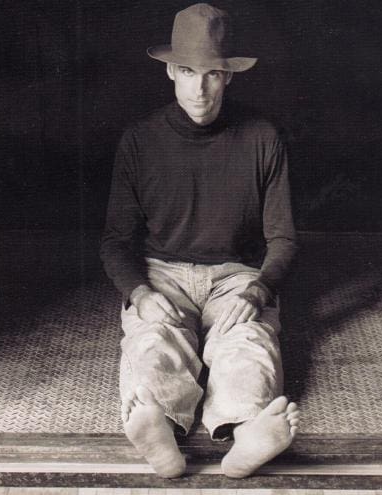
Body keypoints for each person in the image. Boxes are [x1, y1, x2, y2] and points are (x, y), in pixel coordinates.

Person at [100, 3, 301, 479]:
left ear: (228, 77)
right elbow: (115, 241)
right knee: (154, 341)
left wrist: (258, 292)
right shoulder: (139, 140)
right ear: (171, 71)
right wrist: (140, 294)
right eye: (188, 72)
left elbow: (283, 238)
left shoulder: (262, 137)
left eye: (212, 74)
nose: (200, 88)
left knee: (247, 342)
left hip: (236, 276)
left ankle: (247, 432)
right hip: (162, 274)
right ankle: (159, 428)